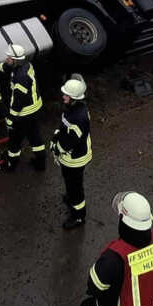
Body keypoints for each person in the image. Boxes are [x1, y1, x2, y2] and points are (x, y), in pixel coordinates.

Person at [51, 76, 92, 229]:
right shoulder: (73, 109)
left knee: (75, 188)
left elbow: (70, 142)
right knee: (69, 181)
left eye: (67, 95)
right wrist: (56, 135)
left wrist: (56, 148)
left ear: (74, 98)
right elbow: (64, 128)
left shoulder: (78, 117)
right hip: (71, 157)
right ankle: (71, 199)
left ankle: (79, 216)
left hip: (75, 159)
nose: (63, 97)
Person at [0, 44, 45, 171]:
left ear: (15, 60)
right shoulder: (27, 65)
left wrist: (11, 118)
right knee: (35, 136)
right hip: (35, 109)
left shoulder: (21, 78)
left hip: (24, 114)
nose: (7, 59)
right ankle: (41, 164)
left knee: (14, 140)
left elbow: (18, 102)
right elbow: (8, 67)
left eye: (9, 57)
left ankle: (10, 165)